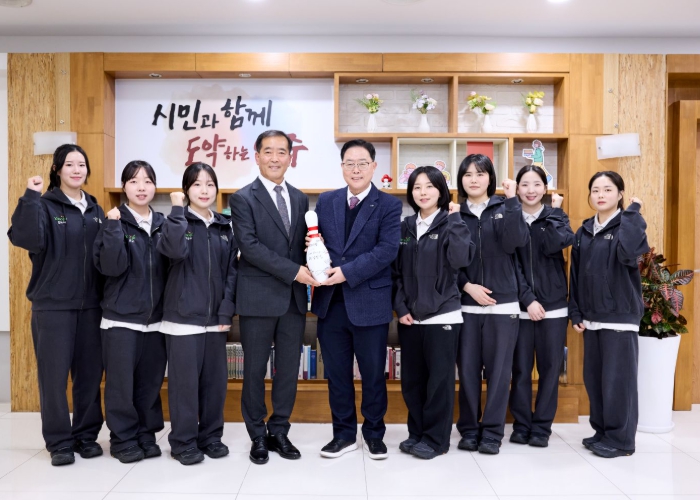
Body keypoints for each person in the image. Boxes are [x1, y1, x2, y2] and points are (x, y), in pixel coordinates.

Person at [8, 144, 105, 466]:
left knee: (89, 376)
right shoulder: (44, 205)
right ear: (57, 169)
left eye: (82, 164)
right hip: (53, 307)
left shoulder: (95, 209)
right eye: (69, 164)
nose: (77, 170)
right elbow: (24, 238)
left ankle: (86, 436)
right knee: (53, 379)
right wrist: (30, 196)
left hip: (92, 307)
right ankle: (60, 442)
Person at [230, 130, 318, 465]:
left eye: (282, 151)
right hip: (258, 297)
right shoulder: (242, 198)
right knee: (254, 370)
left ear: (290, 158)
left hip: (293, 301)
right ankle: (257, 434)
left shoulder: (300, 198)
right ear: (257, 156)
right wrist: (295, 271)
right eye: (268, 151)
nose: (275, 158)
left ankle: (279, 430)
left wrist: (315, 253)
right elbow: (250, 247)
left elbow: (300, 245)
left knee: (288, 370)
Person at [311, 139, 402, 460]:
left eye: (362, 163)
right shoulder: (327, 201)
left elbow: (387, 251)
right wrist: (313, 255)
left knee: (373, 375)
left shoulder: (389, 205)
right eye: (349, 163)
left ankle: (374, 435)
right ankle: (344, 435)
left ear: (374, 166)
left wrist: (346, 272)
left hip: (370, 303)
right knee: (337, 375)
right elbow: (317, 243)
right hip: (330, 303)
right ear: (342, 167)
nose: (356, 169)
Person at [157, 162, 238, 466]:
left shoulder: (225, 227)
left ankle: (211, 437)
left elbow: (232, 273)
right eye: (197, 184)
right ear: (186, 190)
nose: (204, 190)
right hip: (182, 320)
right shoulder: (174, 222)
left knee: (215, 386)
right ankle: (183, 442)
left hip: (216, 321)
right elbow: (174, 251)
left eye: (210, 184)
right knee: (185, 387)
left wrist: (226, 310)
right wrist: (178, 210)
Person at [392, 166, 474, 459]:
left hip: (443, 316)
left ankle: (436, 440)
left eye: (429, 186)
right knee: (413, 382)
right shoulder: (405, 227)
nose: (422, 192)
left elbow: (461, 258)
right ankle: (417, 434)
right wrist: (401, 307)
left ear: (441, 191)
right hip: (410, 318)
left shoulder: (452, 222)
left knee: (439, 383)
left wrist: (456, 219)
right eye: (416, 187)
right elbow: (396, 273)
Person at [569, 171, 649, 458]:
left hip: (619, 317)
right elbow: (575, 274)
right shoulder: (584, 231)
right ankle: (603, 431)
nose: (600, 195)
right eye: (595, 190)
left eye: (607, 189)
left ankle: (621, 440)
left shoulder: (629, 224)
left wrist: (633, 213)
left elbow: (629, 254)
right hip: (592, 318)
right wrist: (575, 311)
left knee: (618, 383)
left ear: (620, 194)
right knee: (596, 381)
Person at [93, 160, 168, 463]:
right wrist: (113, 227)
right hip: (120, 319)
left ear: (154, 187)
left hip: (157, 320)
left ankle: (146, 435)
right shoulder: (114, 221)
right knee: (121, 385)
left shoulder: (163, 223)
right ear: (124, 187)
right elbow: (111, 267)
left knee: (150, 384)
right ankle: (123, 438)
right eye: (134, 181)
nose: (141, 187)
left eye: (147, 181)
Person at [454, 153, 529, 455]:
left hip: (504, 306)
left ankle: (492, 433)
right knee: (468, 373)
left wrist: (512, 202)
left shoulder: (504, 207)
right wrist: (467, 286)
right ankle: (469, 430)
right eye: (468, 174)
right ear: (460, 180)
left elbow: (517, 241)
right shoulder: (454, 213)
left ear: (490, 178)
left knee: (499, 375)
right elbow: (448, 260)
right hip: (466, 306)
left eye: (480, 174)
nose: (474, 179)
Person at [509, 166, 574, 448]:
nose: (531, 190)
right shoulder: (511, 217)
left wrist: (556, 212)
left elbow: (558, 244)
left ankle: (542, 427)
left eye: (537, 184)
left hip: (554, 308)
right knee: (521, 370)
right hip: (521, 306)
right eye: (525, 184)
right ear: (517, 188)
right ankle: (522, 425)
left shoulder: (556, 216)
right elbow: (511, 265)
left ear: (545, 188)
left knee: (550, 370)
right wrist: (528, 299)